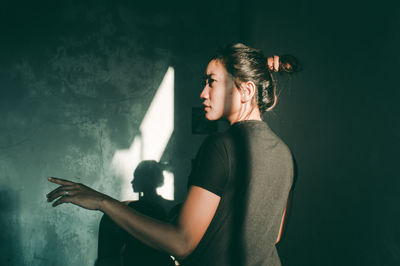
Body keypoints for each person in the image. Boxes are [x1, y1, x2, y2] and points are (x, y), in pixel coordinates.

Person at [46, 43, 298, 266]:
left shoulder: (221, 146)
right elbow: (273, 234)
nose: (203, 93)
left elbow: (182, 243)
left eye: (212, 81)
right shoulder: (286, 154)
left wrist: (103, 202)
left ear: (246, 90)